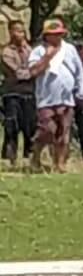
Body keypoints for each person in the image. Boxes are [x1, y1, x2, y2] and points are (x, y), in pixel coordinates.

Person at [27, 19, 83, 173]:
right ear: (46, 35)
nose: (57, 37)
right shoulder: (38, 51)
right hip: (46, 98)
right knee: (47, 129)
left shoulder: (69, 49)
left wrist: (81, 89)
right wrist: (47, 57)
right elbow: (32, 72)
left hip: (66, 98)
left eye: (59, 34)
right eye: (53, 34)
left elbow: (78, 70)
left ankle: (59, 164)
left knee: (63, 133)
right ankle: (36, 155)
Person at [1, 20, 36, 167]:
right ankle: (9, 157)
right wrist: (31, 72)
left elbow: (36, 67)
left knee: (29, 126)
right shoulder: (6, 52)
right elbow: (17, 72)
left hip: (29, 93)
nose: (20, 34)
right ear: (10, 32)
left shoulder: (30, 50)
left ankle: (29, 156)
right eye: (16, 30)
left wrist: (32, 71)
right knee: (12, 125)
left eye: (22, 31)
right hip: (12, 93)